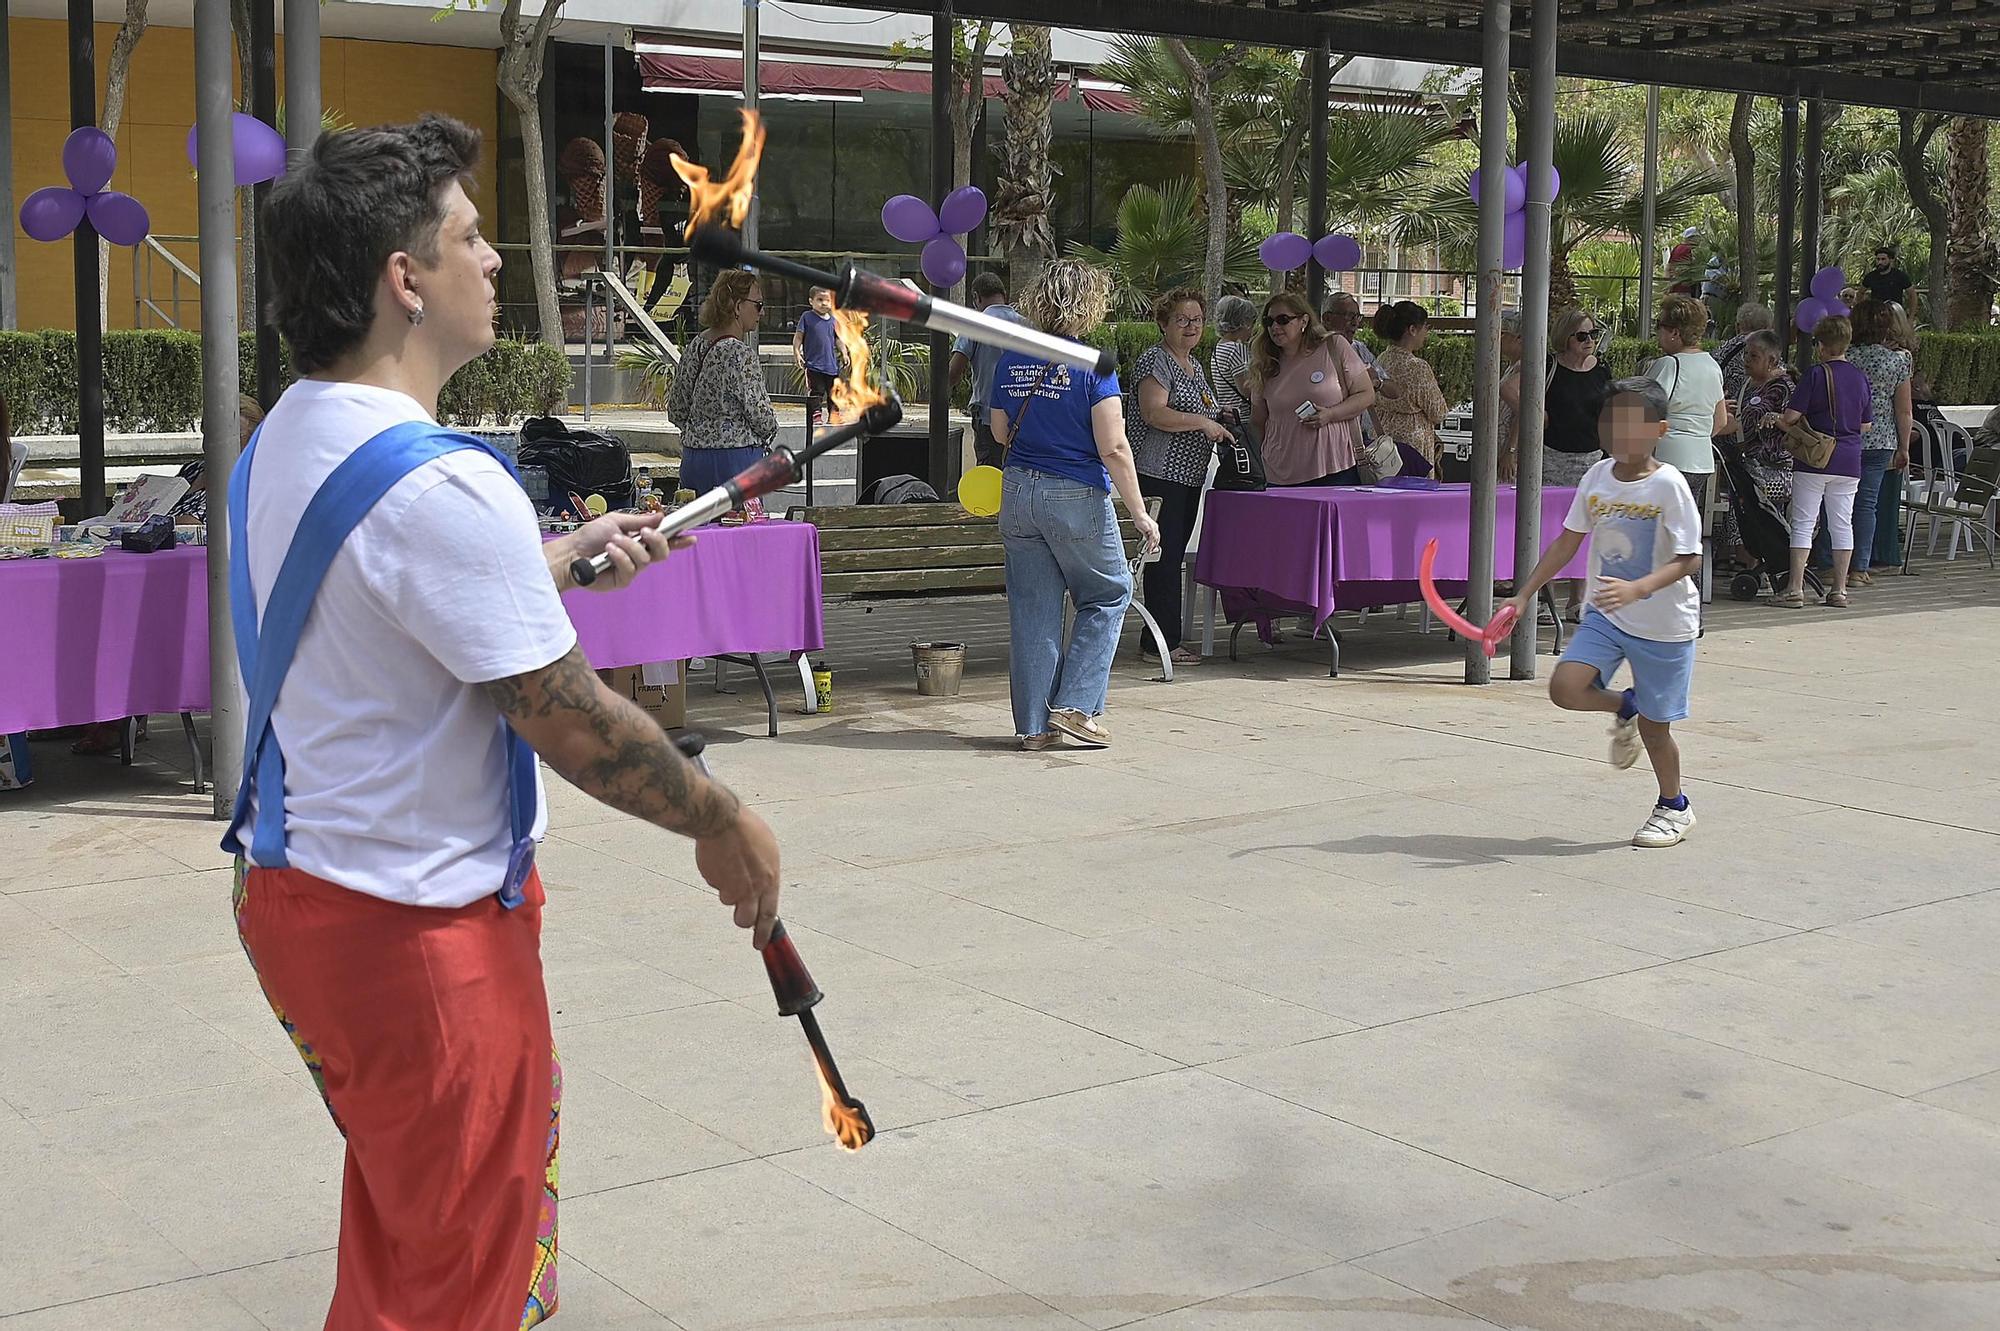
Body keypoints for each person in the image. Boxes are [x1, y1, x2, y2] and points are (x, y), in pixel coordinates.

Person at [236, 114, 780, 1330]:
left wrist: (547, 558)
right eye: (470, 237)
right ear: (403, 278)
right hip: (417, 934)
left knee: (407, 1249)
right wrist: (722, 817)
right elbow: (572, 721)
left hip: (301, 892)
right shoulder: (443, 480)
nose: (492, 260)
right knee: (471, 1284)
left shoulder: (288, 432)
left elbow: (378, 600)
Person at [1503, 377, 1703, 849]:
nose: (1619, 433)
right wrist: (1524, 594)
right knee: (1566, 687)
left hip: (1664, 625)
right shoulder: (1596, 476)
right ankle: (1624, 703)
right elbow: (1569, 539)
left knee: (1657, 730)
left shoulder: (1668, 485)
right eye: (1611, 422)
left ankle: (1674, 806)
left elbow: (1690, 557)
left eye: (1633, 424)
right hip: (1607, 616)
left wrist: (1639, 588)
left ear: (1660, 430)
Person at [988, 259, 1160, 751]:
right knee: (1108, 593)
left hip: (1018, 489)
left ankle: (1033, 729)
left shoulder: (1012, 358)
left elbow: (1000, 431)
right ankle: (1077, 707)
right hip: (1076, 492)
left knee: (1033, 610)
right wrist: (1139, 513)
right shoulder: (1095, 363)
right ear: (1089, 305)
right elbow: (1114, 447)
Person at [1132, 288, 1231, 668]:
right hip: (1160, 474)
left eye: (1197, 320)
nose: (1191, 327)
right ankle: (1160, 643)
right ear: (1163, 323)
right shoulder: (1156, 361)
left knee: (1172, 557)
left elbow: (1204, 409)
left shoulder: (1196, 366)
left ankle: (1162, 638)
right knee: (1164, 558)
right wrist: (1202, 423)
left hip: (1189, 477)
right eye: (1182, 320)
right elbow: (1155, 413)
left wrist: (1219, 418)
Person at [1773, 314, 1872, 609]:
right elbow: (1865, 424)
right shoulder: (1859, 376)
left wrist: (1777, 419)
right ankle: (1839, 590)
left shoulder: (1816, 374)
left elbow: (1790, 417)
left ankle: (1794, 589)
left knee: (1803, 522)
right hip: (1850, 458)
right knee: (1842, 523)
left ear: (1821, 345)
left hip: (1815, 458)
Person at [668, 267, 778, 495]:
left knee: (697, 530)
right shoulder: (740, 354)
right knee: (741, 528)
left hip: (694, 460)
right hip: (736, 462)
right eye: (758, 305)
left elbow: (677, 409)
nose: (762, 312)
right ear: (738, 307)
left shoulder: (696, 346)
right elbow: (763, 419)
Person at [1249, 292, 1374, 486]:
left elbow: (1366, 394)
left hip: (1335, 466)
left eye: (1283, 320)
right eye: (1269, 321)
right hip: (1279, 472)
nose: (1275, 327)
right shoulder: (1265, 364)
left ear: (1303, 321)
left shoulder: (1334, 346)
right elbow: (1258, 421)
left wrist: (1331, 414)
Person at [1842, 297, 1913, 585]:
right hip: (1882, 439)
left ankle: (1829, 561)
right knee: (1866, 504)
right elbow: (1904, 409)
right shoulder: (1897, 361)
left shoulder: (1844, 358)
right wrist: (1904, 446)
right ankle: (1860, 567)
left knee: (1837, 503)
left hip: (1845, 437)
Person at [1645, 293, 1727, 516]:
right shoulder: (1712, 366)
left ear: (1675, 332)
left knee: (1659, 530)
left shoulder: (1668, 365)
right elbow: (1720, 420)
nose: (1656, 331)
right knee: (1686, 528)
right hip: (1701, 460)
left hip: (1667, 458)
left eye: (1659, 325)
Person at [1727, 329, 1797, 565]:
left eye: (1754, 356)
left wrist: (1777, 418)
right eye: (1746, 354)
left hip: (1775, 467)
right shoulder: (1747, 384)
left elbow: (1796, 425)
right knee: (1737, 495)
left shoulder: (1784, 387)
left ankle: (1760, 560)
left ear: (1772, 360)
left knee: (1746, 500)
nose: (1747, 360)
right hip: (1748, 462)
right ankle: (1747, 559)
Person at [948, 273, 1029, 469]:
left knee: (989, 479)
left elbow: (954, 372)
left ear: (976, 297)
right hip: (1024, 417)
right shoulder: (1027, 325)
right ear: (1005, 295)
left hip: (988, 418)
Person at [1370, 300, 1448, 465]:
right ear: (1412, 329)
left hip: (1383, 438)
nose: (1426, 333)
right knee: (1412, 488)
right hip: (1413, 441)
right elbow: (1438, 412)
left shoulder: (1381, 360)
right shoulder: (1417, 367)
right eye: (1425, 327)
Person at [1322, 291, 1382, 443]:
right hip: (1329, 436)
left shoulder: (1360, 349)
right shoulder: (1314, 352)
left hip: (1360, 437)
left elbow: (1394, 390)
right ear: (1327, 318)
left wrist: (1376, 382)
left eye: (1357, 317)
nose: (1355, 323)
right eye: (1349, 316)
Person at [793, 285, 842, 433]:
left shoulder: (833, 321)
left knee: (833, 392)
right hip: (814, 365)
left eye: (827, 300)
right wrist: (796, 351)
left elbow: (838, 339)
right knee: (816, 391)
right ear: (811, 301)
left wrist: (844, 353)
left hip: (831, 365)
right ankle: (816, 414)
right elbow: (799, 336)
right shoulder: (807, 317)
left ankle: (834, 415)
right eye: (819, 300)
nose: (824, 303)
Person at [1209, 295, 1258, 427]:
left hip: (1226, 418)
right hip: (1242, 420)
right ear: (1244, 323)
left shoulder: (1218, 348)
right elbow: (1247, 389)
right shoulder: (1236, 349)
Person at [1712, 303, 1773, 402]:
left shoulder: (1720, 352)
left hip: (1725, 408)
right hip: (1760, 409)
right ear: (1767, 328)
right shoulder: (1768, 352)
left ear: (1737, 326)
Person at [1497, 308, 1526, 480]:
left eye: (1503, 334)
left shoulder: (1524, 368)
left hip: (1511, 453)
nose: (1498, 339)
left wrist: (1511, 451)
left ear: (1518, 338)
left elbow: (1522, 412)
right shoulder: (1513, 366)